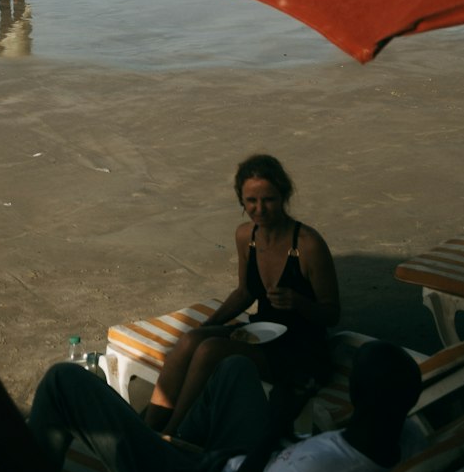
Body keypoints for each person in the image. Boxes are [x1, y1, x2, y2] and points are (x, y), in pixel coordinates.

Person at [28, 341, 423, 472]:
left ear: (357, 397)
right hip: (258, 457)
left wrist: (274, 425)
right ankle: (163, 444)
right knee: (234, 367)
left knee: (63, 381)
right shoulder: (403, 433)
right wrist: (285, 428)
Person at [145, 154, 339, 435]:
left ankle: (173, 435)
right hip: (262, 335)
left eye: (268, 199)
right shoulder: (246, 236)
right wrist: (209, 325)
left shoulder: (308, 244)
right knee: (191, 341)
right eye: (251, 201)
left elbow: (332, 314)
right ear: (241, 200)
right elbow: (245, 292)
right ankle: (151, 426)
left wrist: (299, 302)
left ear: (283, 195)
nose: (259, 209)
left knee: (210, 351)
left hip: (302, 353)